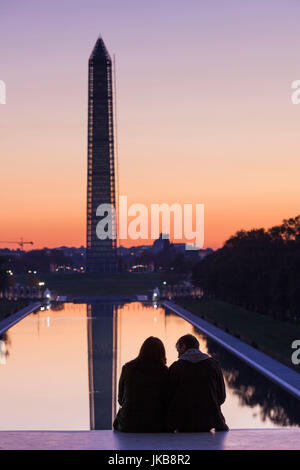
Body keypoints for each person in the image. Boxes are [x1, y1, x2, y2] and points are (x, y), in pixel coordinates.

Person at [167, 334, 228, 432]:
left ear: (183, 347)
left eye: (178, 350)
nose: (178, 354)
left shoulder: (176, 367)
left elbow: (168, 397)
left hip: (183, 423)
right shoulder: (213, 365)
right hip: (210, 421)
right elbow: (221, 396)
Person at [113, 336, 169, 432]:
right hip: (157, 424)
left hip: (128, 423)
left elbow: (120, 399)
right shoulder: (165, 372)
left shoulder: (128, 368)